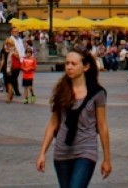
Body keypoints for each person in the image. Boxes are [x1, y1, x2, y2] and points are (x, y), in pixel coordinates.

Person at [37, 49, 111, 186]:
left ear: (86, 67)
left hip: (86, 150)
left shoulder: (97, 93)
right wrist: (42, 153)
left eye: (73, 64)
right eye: (67, 63)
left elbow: (102, 126)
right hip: (62, 152)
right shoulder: (61, 91)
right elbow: (53, 124)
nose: (69, 67)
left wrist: (107, 159)